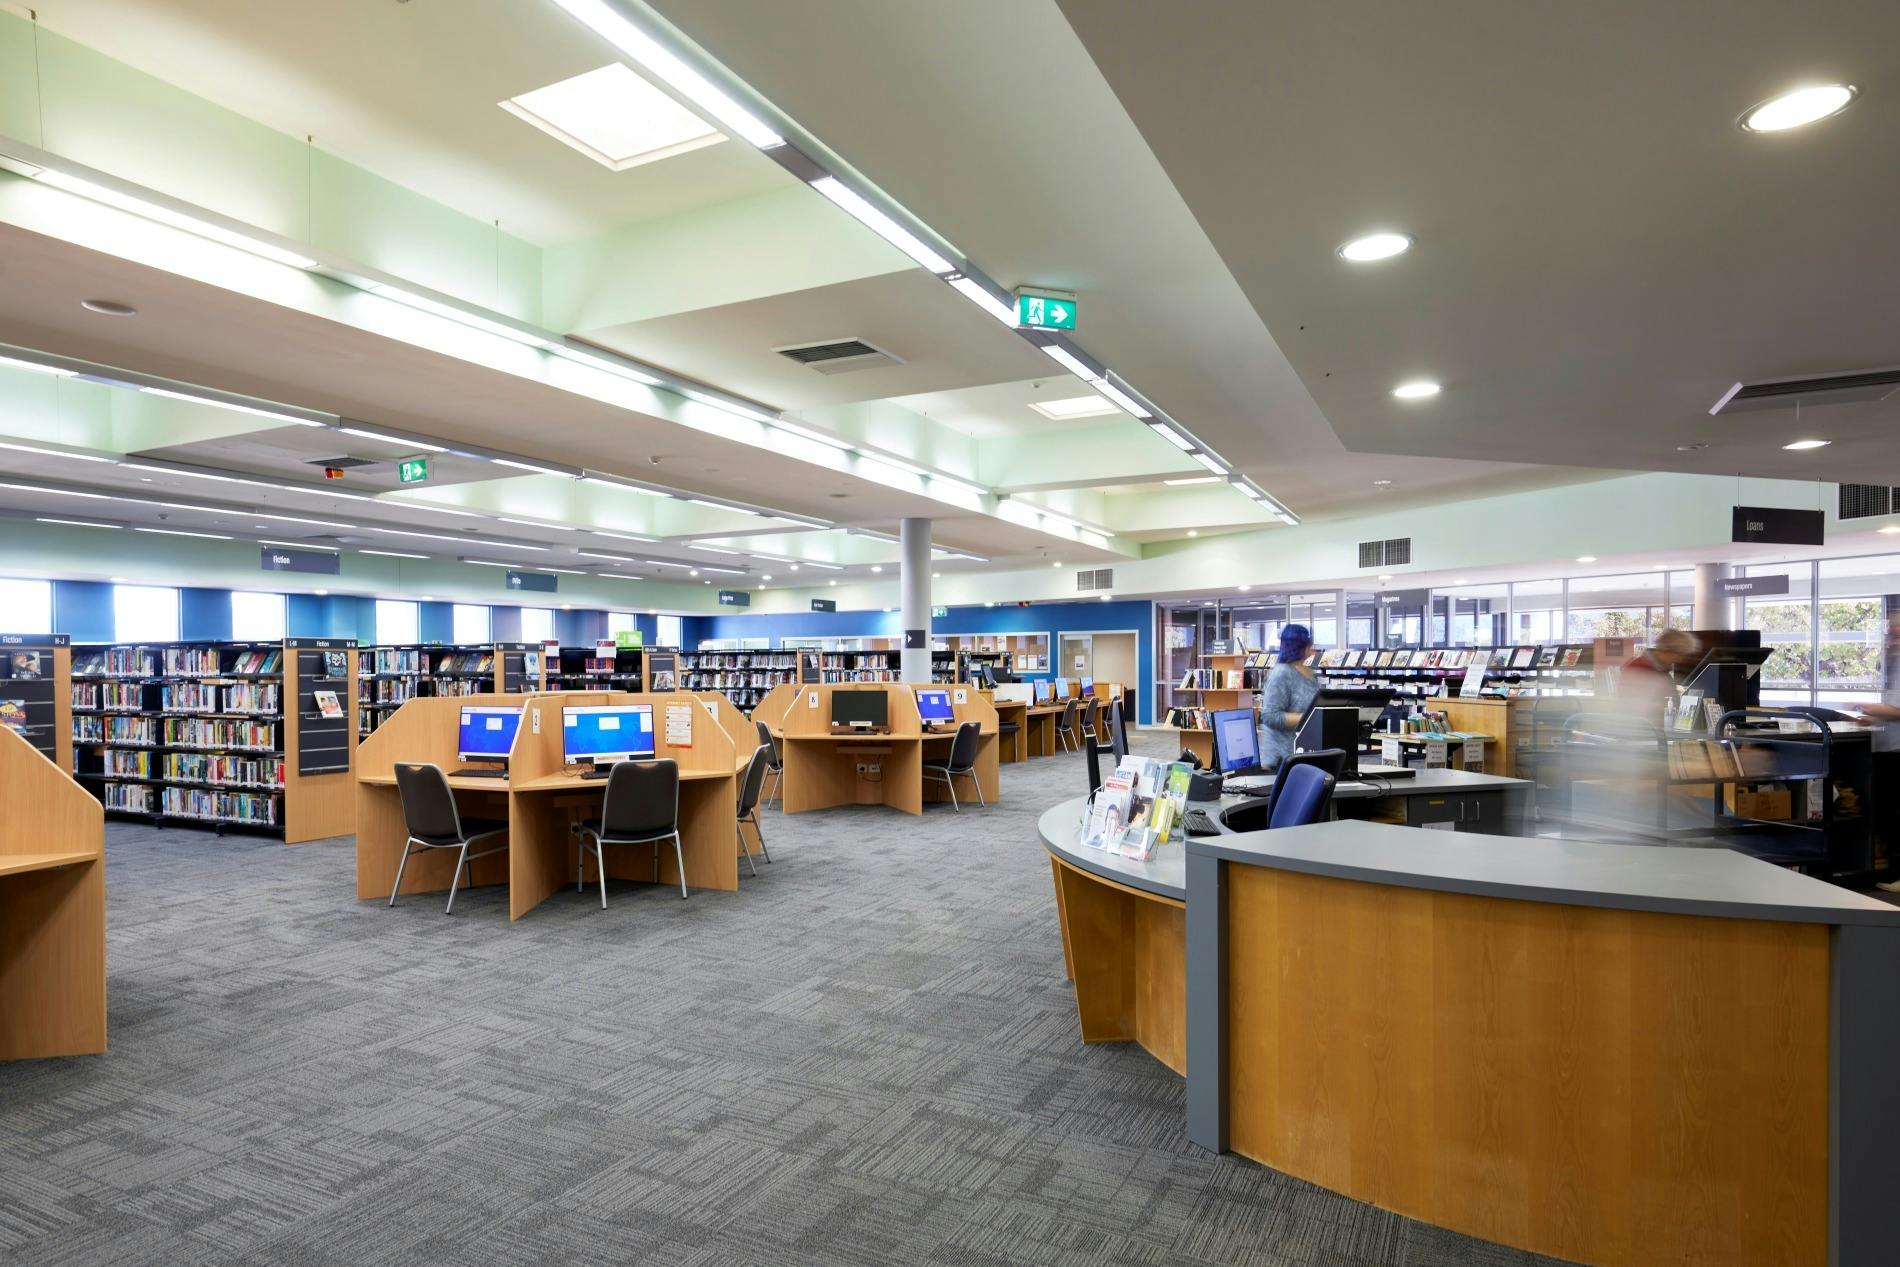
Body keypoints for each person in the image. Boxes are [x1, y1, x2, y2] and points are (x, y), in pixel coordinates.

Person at [1260, 624, 1320, 770]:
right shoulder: (1281, 673)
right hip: (1281, 759)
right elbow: (1270, 715)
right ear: (1301, 646)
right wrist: (1310, 719)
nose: (1313, 648)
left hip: (1304, 755)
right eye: (1310, 644)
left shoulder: (1309, 673)